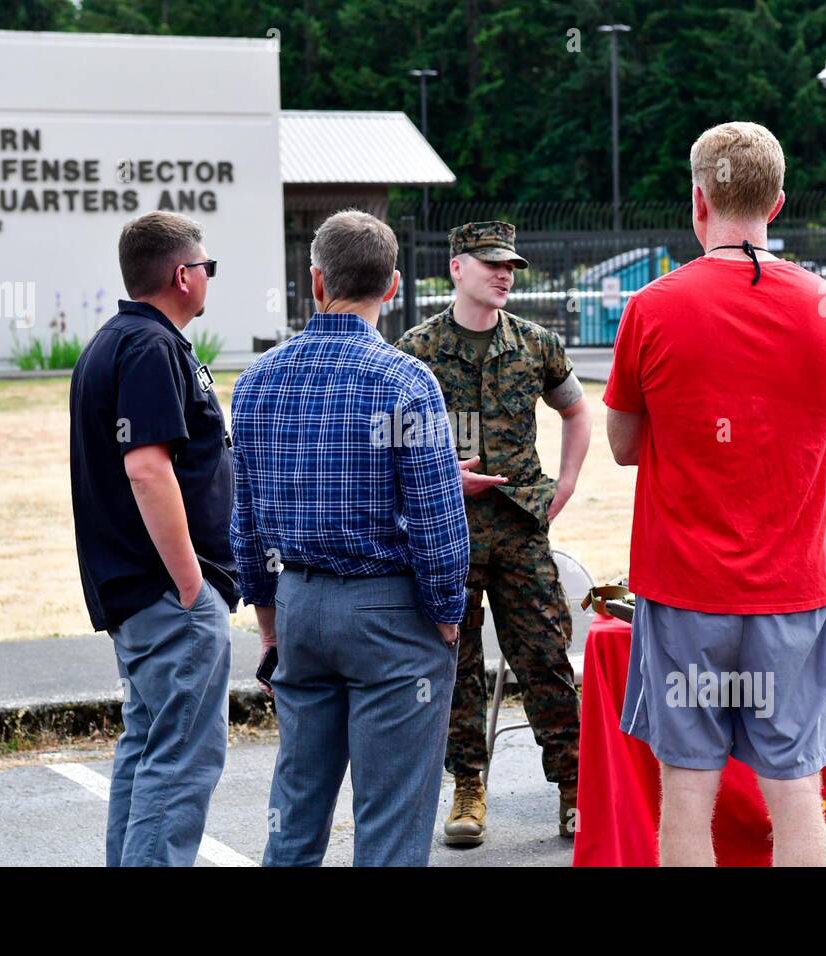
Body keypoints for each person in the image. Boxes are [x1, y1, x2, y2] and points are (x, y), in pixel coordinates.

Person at [604, 122, 826, 866]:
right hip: (791, 583)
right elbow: (823, 416)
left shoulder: (651, 308)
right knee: (794, 787)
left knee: (687, 786)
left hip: (685, 585)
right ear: (777, 203)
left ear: (698, 200)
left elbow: (623, 447)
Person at [230, 209, 469, 867]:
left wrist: (271, 625)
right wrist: (447, 617)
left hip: (300, 603)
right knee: (390, 822)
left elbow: (245, 522)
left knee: (296, 811)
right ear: (392, 287)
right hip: (390, 613)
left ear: (315, 282)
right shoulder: (406, 381)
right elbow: (436, 518)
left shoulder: (256, 382)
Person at [396, 220, 591, 846]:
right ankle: (469, 788)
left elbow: (577, 410)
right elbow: (391, 444)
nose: (504, 274)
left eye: (510, 265)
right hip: (447, 532)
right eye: (490, 264)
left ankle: (574, 789)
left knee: (544, 660)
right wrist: (439, 478)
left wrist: (563, 486)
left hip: (519, 530)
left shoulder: (535, 344)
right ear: (457, 268)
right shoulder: (416, 350)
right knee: (455, 666)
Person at [69, 210, 238, 867]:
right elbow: (147, 467)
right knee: (182, 760)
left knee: (147, 747)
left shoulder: (116, 342)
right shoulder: (150, 347)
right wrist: (192, 584)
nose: (208, 278)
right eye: (207, 267)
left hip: (141, 596)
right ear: (182, 274)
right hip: (168, 597)